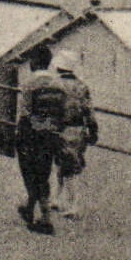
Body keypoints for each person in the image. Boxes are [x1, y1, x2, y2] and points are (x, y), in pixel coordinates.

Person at [16, 45, 63, 234]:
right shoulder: (59, 84)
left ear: (35, 63)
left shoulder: (29, 84)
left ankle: (44, 219)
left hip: (32, 134)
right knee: (44, 173)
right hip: (51, 134)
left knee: (29, 173)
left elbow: (25, 113)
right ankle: (30, 208)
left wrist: (21, 136)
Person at [52, 50, 98, 221]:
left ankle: (72, 205)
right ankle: (58, 199)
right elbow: (89, 111)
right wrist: (93, 130)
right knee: (68, 166)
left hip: (58, 129)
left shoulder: (55, 84)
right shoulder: (82, 86)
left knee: (64, 168)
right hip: (77, 130)